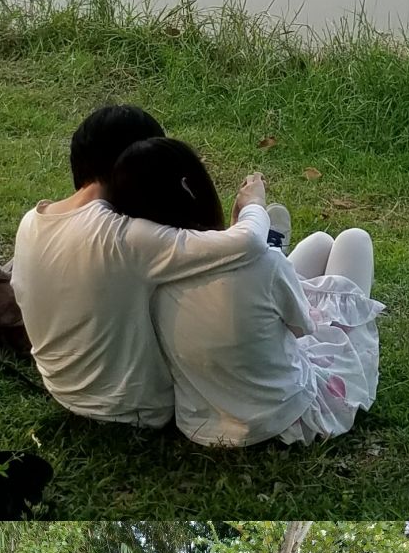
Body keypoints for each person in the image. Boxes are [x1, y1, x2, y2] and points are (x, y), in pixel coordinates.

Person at [104, 137, 380, 445]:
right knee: (353, 239)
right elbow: (302, 328)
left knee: (318, 242)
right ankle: (275, 250)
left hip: (204, 421)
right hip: (281, 417)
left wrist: (237, 232)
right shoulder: (264, 264)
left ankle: (274, 253)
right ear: (189, 187)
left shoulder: (145, 269)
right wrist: (254, 210)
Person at [10, 104, 273, 428]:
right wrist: (254, 203)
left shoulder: (31, 220)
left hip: (63, 391)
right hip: (134, 408)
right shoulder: (121, 237)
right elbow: (248, 243)